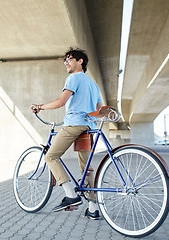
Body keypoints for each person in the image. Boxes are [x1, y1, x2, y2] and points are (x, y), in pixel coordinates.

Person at [31, 47, 103, 220]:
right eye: (65, 60)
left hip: (73, 125)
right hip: (87, 128)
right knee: (86, 169)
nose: (66, 62)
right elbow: (100, 110)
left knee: (50, 156)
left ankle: (71, 195)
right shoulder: (93, 85)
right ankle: (93, 209)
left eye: (70, 59)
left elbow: (60, 102)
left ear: (81, 61)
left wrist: (40, 107)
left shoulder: (74, 78)